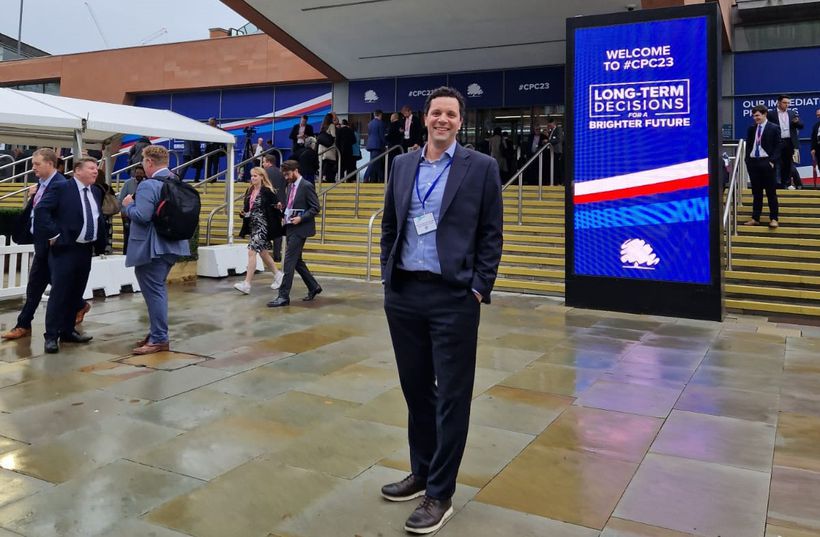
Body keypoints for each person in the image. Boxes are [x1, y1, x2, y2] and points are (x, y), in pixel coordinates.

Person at [379, 87, 503, 534]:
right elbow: (391, 223)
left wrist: (477, 288)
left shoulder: (481, 168)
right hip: (405, 294)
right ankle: (422, 471)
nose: (442, 120)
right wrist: (386, 275)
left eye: (451, 113)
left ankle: (440, 493)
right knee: (416, 390)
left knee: (451, 396)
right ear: (425, 118)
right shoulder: (403, 164)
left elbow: (492, 233)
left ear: (460, 120)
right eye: (436, 113)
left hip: (453, 298)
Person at [2, 148, 89, 340]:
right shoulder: (41, 184)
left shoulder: (61, 185)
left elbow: (61, 214)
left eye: (37, 164)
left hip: (53, 246)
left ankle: (31, 324)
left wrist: (55, 235)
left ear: (50, 164)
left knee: (50, 286)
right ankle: (24, 324)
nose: (33, 168)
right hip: (40, 244)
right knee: (36, 286)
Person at [121, 145, 190, 355]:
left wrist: (127, 205)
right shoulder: (175, 179)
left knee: (154, 291)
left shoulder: (148, 185)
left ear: (149, 162)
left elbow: (142, 216)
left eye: (143, 161)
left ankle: (159, 337)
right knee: (157, 289)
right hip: (173, 244)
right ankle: (156, 333)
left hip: (152, 247)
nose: (142, 165)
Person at [35, 158, 106, 354]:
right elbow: (41, 210)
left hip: (85, 249)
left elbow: (98, 217)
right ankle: (51, 336)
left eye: (96, 168)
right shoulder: (62, 187)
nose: (95, 171)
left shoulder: (96, 191)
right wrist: (54, 234)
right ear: (77, 171)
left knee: (76, 292)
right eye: (91, 168)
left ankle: (67, 331)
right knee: (60, 293)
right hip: (65, 249)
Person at [267, 160, 322, 308]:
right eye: (284, 175)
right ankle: (313, 286)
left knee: (289, 262)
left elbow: (316, 207)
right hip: (290, 226)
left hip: (300, 228)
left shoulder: (306, 186)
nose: (286, 177)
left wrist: (301, 218)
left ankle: (283, 296)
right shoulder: (290, 186)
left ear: (296, 170)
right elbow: (292, 204)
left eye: (288, 174)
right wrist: (283, 209)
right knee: (296, 261)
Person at [235, 166, 284, 294]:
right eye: (251, 176)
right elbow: (249, 209)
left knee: (251, 252)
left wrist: (278, 208)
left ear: (262, 177)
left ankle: (247, 284)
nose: (252, 178)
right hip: (253, 225)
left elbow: (277, 206)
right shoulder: (250, 190)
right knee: (263, 252)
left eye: (255, 176)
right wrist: (243, 214)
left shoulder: (267, 191)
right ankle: (278, 275)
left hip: (263, 225)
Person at [745, 104, 782, 228]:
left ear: (765, 114)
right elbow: (749, 145)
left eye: (757, 115)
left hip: (767, 162)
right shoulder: (751, 129)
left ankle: (774, 218)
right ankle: (755, 218)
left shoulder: (774, 128)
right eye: (754, 116)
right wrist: (747, 160)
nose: (755, 118)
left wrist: (772, 161)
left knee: (771, 192)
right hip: (754, 162)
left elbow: (778, 146)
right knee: (756, 192)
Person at [767, 95, 803, 189]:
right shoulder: (771, 114)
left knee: (788, 163)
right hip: (777, 141)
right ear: (778, 102)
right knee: (776, 162)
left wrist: (797, 122)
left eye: (788, 103)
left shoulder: (792, 113)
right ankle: (777, 183)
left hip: (789, 141)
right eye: (784, 103)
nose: (787, 105)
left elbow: (801, 126)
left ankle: (785, 183)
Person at [262, 154, 287, 264]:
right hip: (281, 203)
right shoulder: (282, 172)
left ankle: (265, 254)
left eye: (264, 162)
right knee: (277, 230)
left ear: (268, 162)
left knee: (265, 228)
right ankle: (277, 255)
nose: (263, 164)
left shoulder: (264, 173)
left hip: (267, 204)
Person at [117, 165, 146, 255]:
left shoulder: (147, 184)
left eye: (141, 173)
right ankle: (125, 255)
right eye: (137, 173)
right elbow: (120, 198)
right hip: (128, 215)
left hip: (141, 215)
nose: (139, 175)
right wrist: (124, 212)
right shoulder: (128, 183)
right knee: (128, 236)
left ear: (144, 174)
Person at [365, 110, 387, 183]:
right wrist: (385, 144)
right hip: (377, 145)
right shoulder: (381, 123)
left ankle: (381, 178)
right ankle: (366, 177)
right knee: (373, 162)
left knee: (376, 162)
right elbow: (381, 136)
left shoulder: (370, 123)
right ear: (380, 115)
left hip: (370, 145)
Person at [318, 113, 338, 182]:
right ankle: (326, 177)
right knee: (329, 162)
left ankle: (322, 176)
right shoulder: (331, 125)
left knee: (324, 162)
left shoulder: (323, 126)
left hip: (322, 147)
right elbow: (333, 136)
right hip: (329, 147)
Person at [811, 108, 820, 185]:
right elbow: (813, 138)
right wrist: (813, 149)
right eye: (817, 115)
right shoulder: (816, 126)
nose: (818, 116)